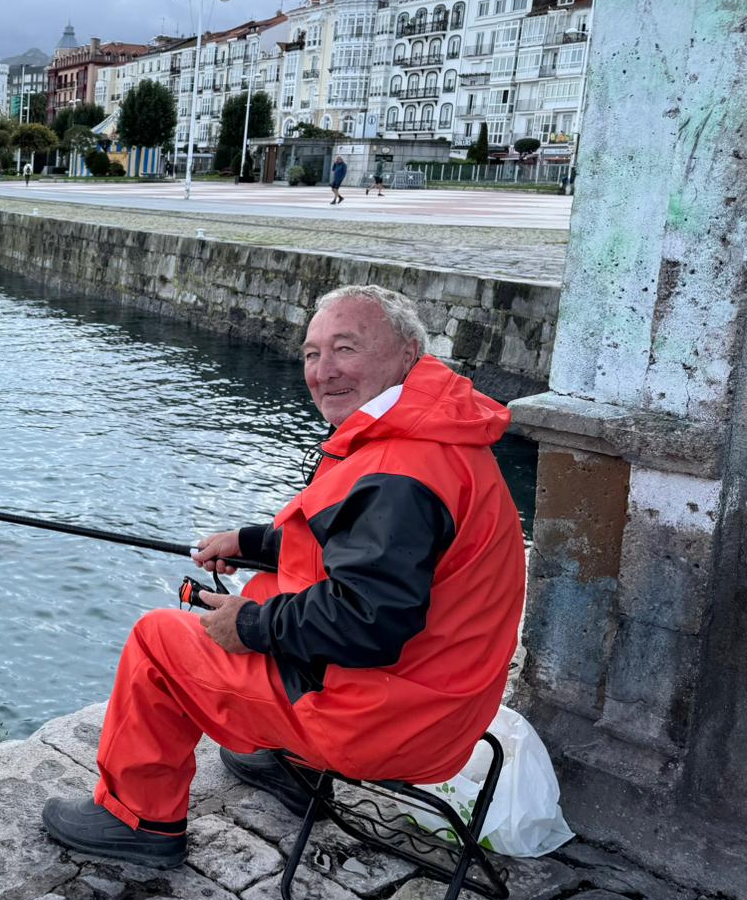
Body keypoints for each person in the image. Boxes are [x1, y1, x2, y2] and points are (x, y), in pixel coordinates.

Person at [41, 284, 526, 868]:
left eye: (345, 349)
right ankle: (284, 760)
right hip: (444, 698)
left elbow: (370, 621)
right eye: (312, 354)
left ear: (408, 353)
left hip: (388, 720)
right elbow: (353, 547)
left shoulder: (402, 469)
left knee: (159, 640)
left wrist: (249, 625)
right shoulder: (434, 431)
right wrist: (250, 542)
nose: (323, 372)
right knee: (273, 587)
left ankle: (138, 821)